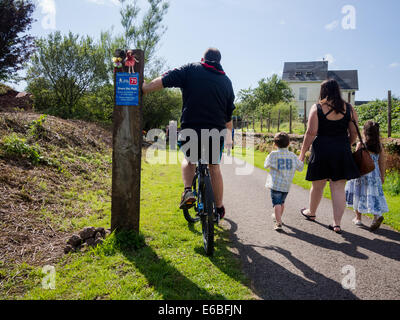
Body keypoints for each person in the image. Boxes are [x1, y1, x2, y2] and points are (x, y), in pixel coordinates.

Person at [142, 48, 235, 220]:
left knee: (189, 159)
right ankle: (219, 208)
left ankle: (187, 191)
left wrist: (145, 89)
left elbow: (164, 80)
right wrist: (229, 138)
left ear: (203, 59)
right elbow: (228, 117)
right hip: (215, 130)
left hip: (191, 128)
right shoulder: (226, 81)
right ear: (219, 61)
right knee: (214, 167)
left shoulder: (191, 69)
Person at [298, 79, 360, 234]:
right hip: (342, 150)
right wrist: (346, 145)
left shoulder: (317, 107)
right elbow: (354, 134)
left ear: (323, 91)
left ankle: (311, 213)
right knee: (338, 188)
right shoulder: (349, 108)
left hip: (321, 150)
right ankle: (336, 224)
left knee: (317, 186)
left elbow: (311, 133)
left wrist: (302, 151)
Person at [345, 121, 389, 231]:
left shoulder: (361, 144)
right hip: (374, 175)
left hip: (362, 174)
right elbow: (382, 162)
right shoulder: (379, 146)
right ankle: (376, 216)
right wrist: (382, 176)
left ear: (364, 131)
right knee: (374, 195)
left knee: (358, 194)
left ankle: (358, 218)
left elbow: (357, 160)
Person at [264, 132, 304, 231]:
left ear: (275, 144)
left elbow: (266, 165)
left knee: (276, 203)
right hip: (286, 185)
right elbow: (300, 167)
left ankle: (278, 222)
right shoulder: (292, 156)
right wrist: (301, 158)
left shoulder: (273, 154)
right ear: (289, 143)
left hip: (276, 184)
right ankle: (279, 218)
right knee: (281, 202)